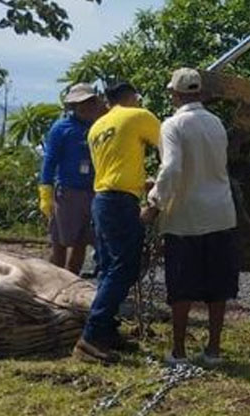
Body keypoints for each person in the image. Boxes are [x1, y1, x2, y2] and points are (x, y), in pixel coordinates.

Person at [143, 68, 239, 365]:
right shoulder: (217, 123)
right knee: (217, 287)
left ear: (175, 94)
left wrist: (154, 202)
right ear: (199, 93)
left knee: (181, 287)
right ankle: (213, 350)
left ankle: (179, 351)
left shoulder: (173, 125)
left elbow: (171, 169)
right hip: (221, 213)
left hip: (186, 216)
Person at [72, 82, 161, 364]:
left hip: (102, 200)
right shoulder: (138, 116)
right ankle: (92, 336)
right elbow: (169, 150)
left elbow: (116, 167)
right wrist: (162, 187)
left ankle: (107, 331)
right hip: (121, 202)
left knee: (109, 268)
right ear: (133, 97)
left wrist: (140, 181)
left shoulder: (97, 127)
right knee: (125, 267)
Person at [38, 83, 104, 276]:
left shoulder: (100, 126)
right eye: (82, 103)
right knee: (59, 242)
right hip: (68, 192)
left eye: (91, 102)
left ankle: (72, 280)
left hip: (93, 191)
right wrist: (45, 191)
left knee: (81, 241)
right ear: (74, 106)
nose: (88, 107)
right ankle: (54, 281)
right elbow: (50, 160)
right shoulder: (61, 128)